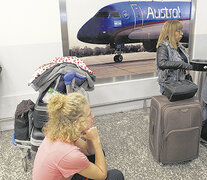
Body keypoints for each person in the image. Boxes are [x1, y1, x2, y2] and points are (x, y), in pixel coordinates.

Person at [33, 93, 124, 180]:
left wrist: (89, 137)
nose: (93, 116)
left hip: (64, 171)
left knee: (97, 154)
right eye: (88, 115)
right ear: (77, 123)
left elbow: (88, 151)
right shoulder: (70, 154)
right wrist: (96, 140)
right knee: (115, 176)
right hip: (67, 162)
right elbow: (102, 175)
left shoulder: (61, 130)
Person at [156, 20, 193, 94]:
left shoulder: (180, 47)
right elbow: (162, 63)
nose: (181, 33)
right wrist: (182, 65)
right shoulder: (163, 46)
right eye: (178, 31)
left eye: (181, 31)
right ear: (171, 32)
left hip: (182, 84)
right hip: (170, 88)